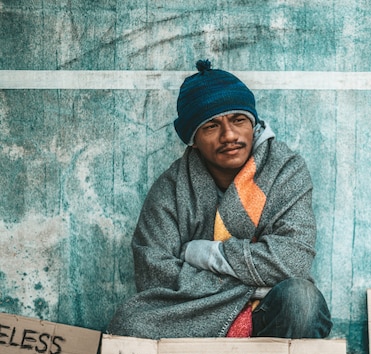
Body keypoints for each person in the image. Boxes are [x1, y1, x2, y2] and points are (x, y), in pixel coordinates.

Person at [108, 59, 332, 339]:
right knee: (129, 323)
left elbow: (293, 259)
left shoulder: (285, 170)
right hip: (197, 312)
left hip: (269, 309)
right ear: (193, 139)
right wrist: (249, 286)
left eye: (239, 120)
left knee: (302, 301)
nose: (229, 135)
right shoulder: (172, 187)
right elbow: (152, 272)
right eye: (211, 126)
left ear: (254, 125)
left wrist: (203, 254)